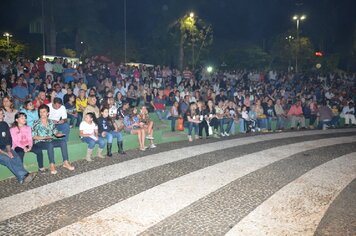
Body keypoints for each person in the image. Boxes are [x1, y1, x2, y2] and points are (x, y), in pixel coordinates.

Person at [32, 104, 75, 174]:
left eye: (44, 112)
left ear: (48, 113)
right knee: (50, 144)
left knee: (63, 142)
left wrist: (58, 134)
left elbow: (55, 132)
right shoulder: (36, 123)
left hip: (49, 140)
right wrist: (45, 137)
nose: (42, 113)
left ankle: (66, 162)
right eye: (40, 112)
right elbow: (33, 137)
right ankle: (52, 165)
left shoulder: (51, 122)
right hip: (40, 142)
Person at [0, 110, 37, 184]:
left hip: (4, 147)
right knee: (7, 159)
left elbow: (7, 139)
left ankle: (21, 178)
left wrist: (9, 151)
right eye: (0, 114)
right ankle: (25, 175)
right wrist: (5, 153)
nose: (2, 115)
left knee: (15, 156)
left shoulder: (4, 124)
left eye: (2, 114)